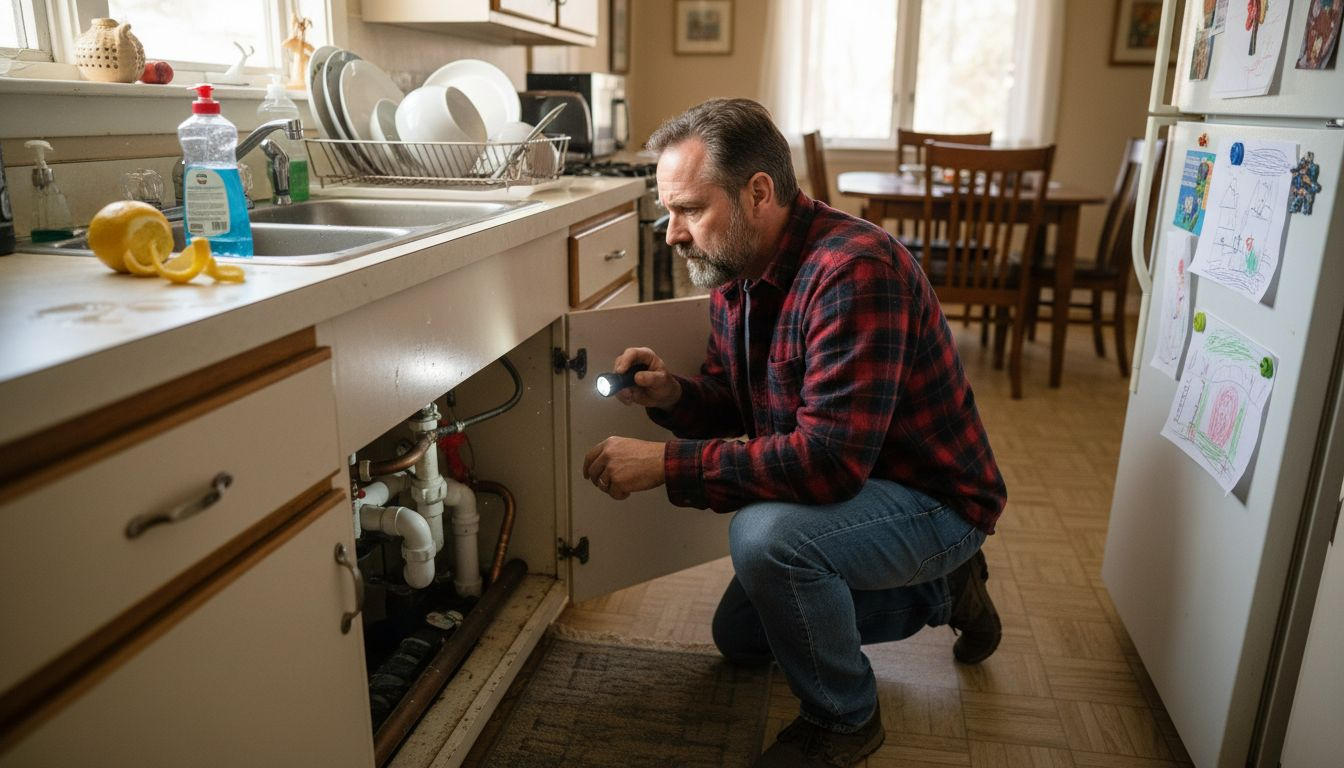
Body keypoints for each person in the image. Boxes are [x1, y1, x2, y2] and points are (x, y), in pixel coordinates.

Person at [581, 98, 1006, 768]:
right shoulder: (737, 274)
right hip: (860, 487)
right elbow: (739, 403)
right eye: (669, 212)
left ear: (758, 193)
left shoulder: (855, 271)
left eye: (689, 209)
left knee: (766, 539)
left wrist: (668, 464)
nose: (673, 233)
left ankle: (844, 720)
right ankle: (945, 590)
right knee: (742, 637)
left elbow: (829, 464)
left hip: (934, 499)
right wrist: (672, 394)